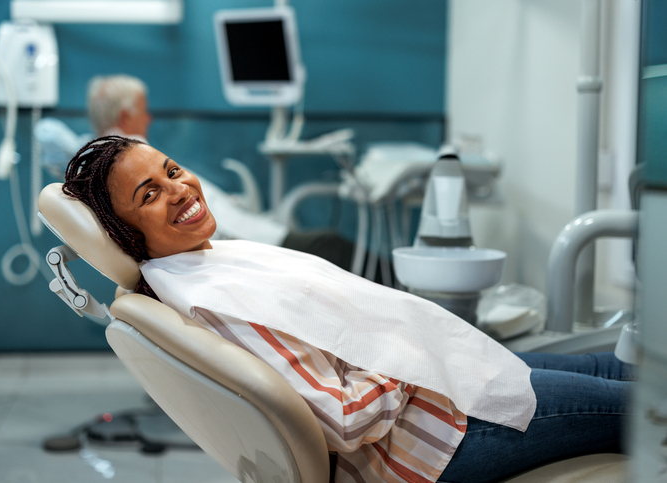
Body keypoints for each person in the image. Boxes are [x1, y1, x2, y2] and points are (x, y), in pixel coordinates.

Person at [62, 136, 634, 483]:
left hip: (437, 399)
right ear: (123, 232)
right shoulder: (216, 304)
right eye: (149, 195)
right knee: (646, 406)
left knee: (617, 365)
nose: (180, 189)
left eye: (171, 171)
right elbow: (343, 418)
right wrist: (406, 357)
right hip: (434, 441)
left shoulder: (205, 266)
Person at [86, 74, 356, 272]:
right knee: (330, 244)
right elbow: (211, 227)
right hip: (241, 241)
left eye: (173, 172)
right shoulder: (129, 155)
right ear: (124, 117)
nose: (149, 118)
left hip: (233, 237)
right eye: (144, 111)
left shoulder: (101, 169)